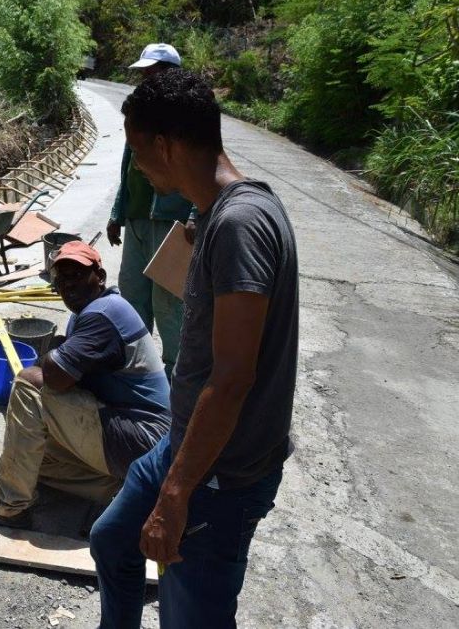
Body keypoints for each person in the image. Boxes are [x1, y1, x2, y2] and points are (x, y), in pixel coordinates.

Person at [90, 69, 298, 629]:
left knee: (190, 616)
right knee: (113, 540)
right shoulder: (216, 214)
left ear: (165, 145)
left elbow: (232, 377)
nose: (136, 166)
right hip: (186, 443)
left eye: (137, 152)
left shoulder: (240, 224)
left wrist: (176, 495)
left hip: (219, 474)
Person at [0, 241, 170, 527]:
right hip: (144, 445)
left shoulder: (104, 314)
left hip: (142, 438)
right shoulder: (89, 313)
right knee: (33, 460)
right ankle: (123, 492)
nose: (68, 283)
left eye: (77, 274)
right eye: (62, 278)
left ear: (100, 277)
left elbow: (55, 377)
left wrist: (49, 356)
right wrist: (55, 353)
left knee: (29, 384)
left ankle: (8, 507)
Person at [106, 43, 194, 378]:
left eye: (151, 73)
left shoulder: (187, 118)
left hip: (172, 222)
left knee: (168, 300)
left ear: (170, 74)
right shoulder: (140, 115)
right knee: (132, 292)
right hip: (137, 218)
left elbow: (205, 172)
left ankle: (175, 371)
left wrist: (195, 216)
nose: (145, 79)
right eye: (143, 74)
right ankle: (137, 363)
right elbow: (127, 167)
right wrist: (117, 214)